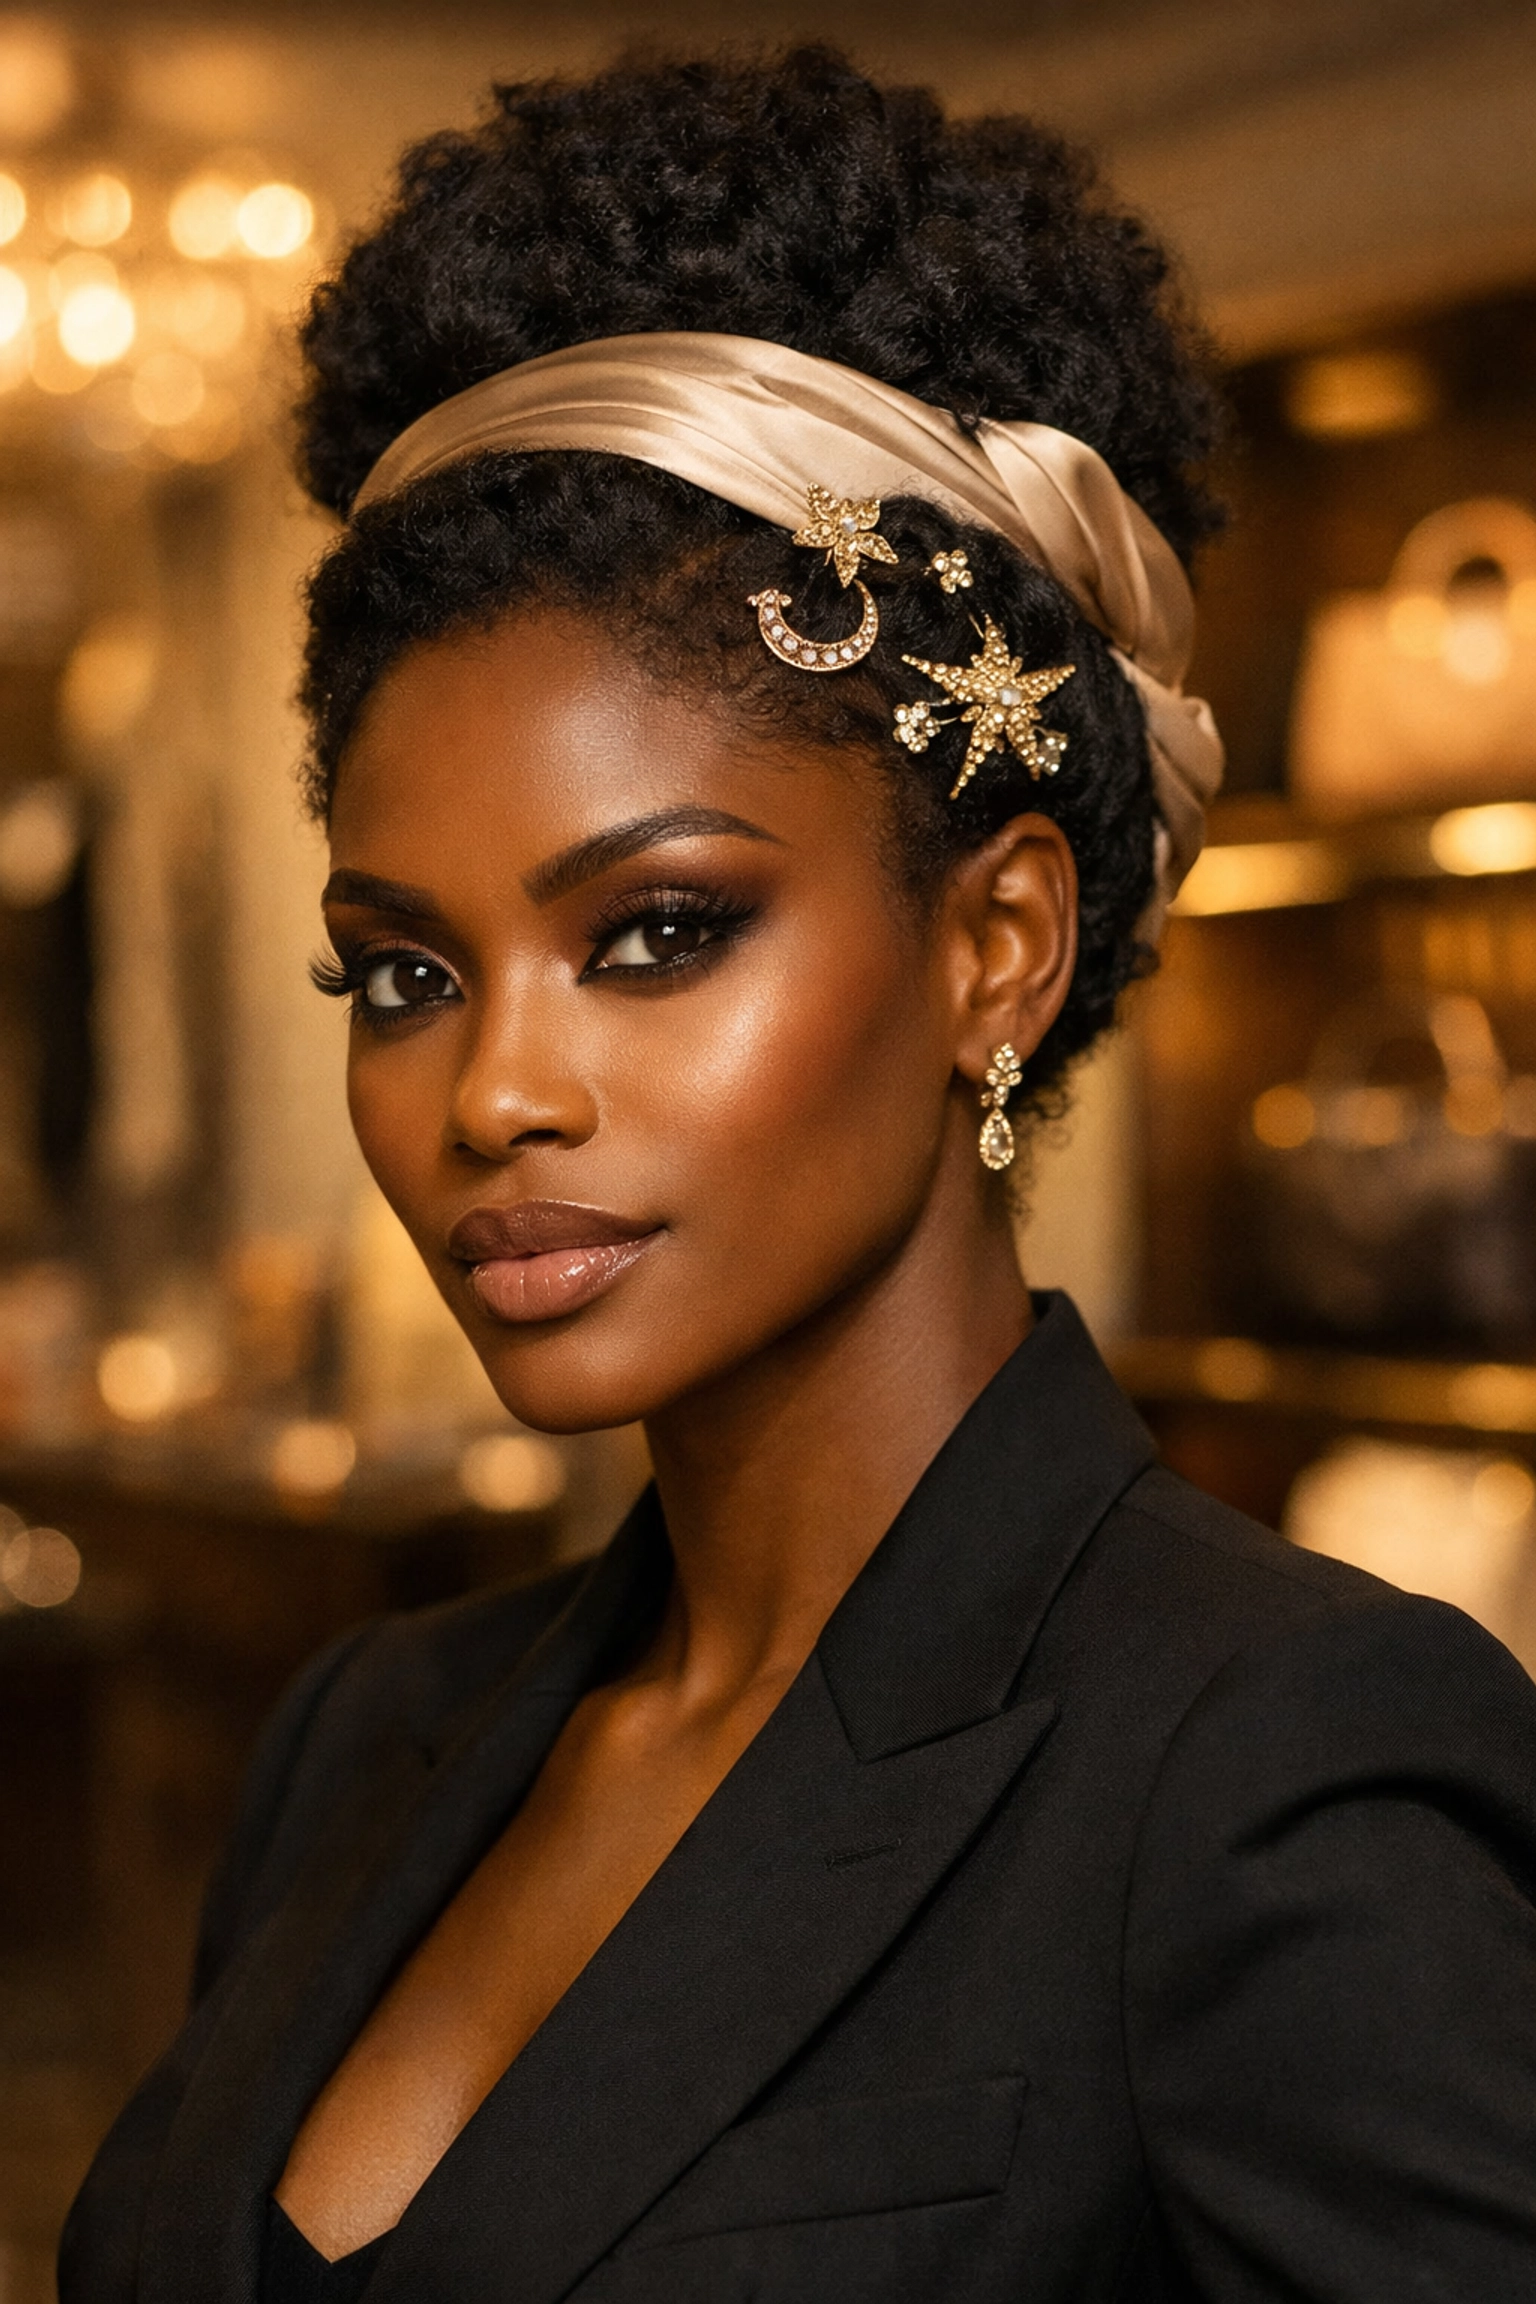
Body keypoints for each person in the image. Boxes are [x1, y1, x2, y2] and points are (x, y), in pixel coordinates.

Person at [63, 45, 1536, 2304]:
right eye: (403, 973)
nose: (493, 1096)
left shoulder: (1270, 1777)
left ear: (997, 947)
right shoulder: (369, 1735)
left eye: (656, 933)